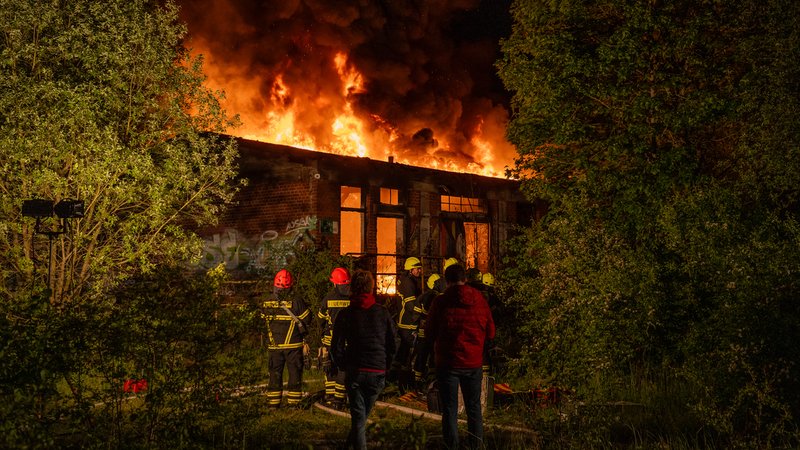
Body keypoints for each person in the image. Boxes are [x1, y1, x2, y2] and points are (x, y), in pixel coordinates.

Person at [426, 263, 495, 450]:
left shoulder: (440, 302)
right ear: (465, 279)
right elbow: (491, 331)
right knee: (474, 408)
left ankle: (452, 445)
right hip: (473, 362)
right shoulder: (479, 299)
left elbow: (429, 331)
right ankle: (476, 445)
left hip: (448, 363)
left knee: (449, 408)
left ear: (446, 281)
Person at [331, 270, 397, 450]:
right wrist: (386, 365)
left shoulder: (345, 314)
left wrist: (342, 365)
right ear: (371, 288)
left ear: (352, 288)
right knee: (361, 417)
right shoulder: (382, 313)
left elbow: (336, 346)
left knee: (359, 418)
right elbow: (393, 342)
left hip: (355, 372)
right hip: (377, 372)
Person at [262, 268, 311, 408]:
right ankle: (294, 404)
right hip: (293, 346)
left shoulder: (267, 301)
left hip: (274, 346)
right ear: (291, 285)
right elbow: (307, 319)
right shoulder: (296, 301)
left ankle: (273, 404)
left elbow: (261, 321)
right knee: (294, 373)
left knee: (274, 374)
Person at [317, 267, 351, 408]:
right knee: (343, 368)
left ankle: (330, 396)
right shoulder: (352, 298)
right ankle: (339, 399)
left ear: (335, 283)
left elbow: (320, 320)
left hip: (330, 340)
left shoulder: (328, 298)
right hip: (347, 341)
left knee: (329, 367)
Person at [411, 273, 445, 393]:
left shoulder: (423, 296)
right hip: (430, 333)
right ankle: (427, 383)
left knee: (421, 357)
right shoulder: (433, 297)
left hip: (423, 332)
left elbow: (416, 316)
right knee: (429, 357)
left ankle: (418, 384)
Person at [392, 256, 422, 387]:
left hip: (404, 321)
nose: (419, 271)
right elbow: (410, 306)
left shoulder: (405, 280)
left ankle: (397, 378)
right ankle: (404, 381)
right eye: (417, 269)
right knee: (408, 352)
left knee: (403, 351)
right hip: (408, 322)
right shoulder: (408, 283)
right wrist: (421, 314)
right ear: (410, 270)